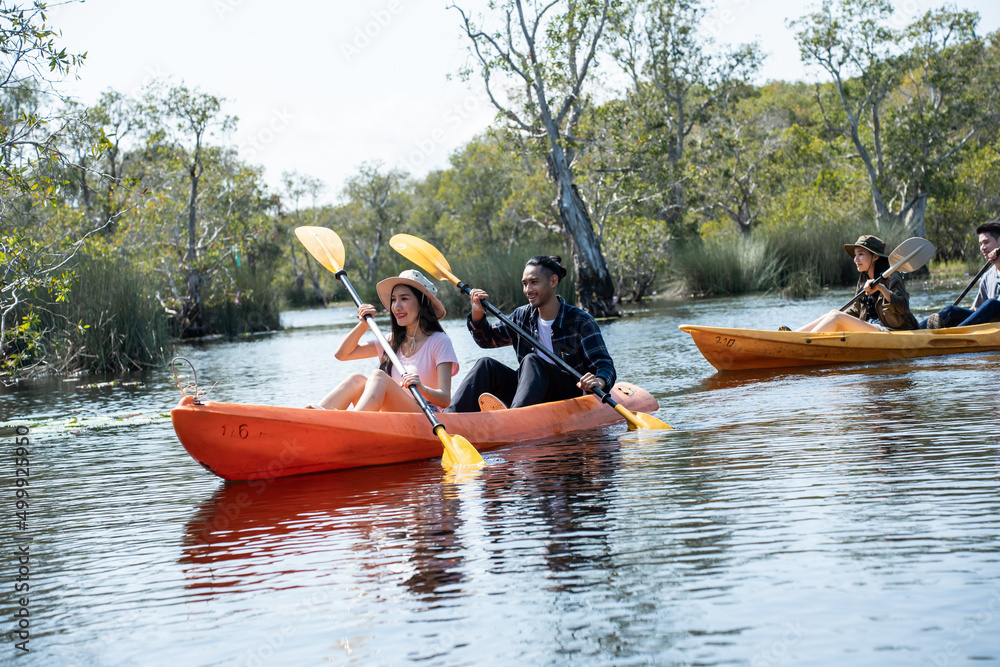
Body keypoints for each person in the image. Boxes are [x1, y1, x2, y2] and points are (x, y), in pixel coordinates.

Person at [445, 255, 615, 413]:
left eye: (534, 282)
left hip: (568, 394)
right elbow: (487, 340)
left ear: (553, 281)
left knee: (532, 361)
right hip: (530, 394)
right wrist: (477, 312)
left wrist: (599, 381)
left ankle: (514, 418)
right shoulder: (521, 316)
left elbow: (604, 364)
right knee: (485, 365)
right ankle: (451, 417)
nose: (528, 289)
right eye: (525, 284)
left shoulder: (581, 320)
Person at [309, 270, 459, 412]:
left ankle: (353, 422)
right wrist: (363, 325)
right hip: (395, 415)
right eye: (394, 300)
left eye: (404, 299)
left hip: (427, 415)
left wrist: (422, 388)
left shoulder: (440, 341)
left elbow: (445, 399)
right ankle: (313, 419)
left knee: (379, 376)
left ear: (424, 302)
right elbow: (342, 354)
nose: (396, 306)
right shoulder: (391, 341)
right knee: (356, 380)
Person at [787, 235, 919, 333]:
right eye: (855, 255)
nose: (856, 259)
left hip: (890, 331)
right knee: (830, 314)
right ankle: (794, 336)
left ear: (875, 257)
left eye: (860, 254)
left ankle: (806, 342)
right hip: (870, 327)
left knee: (836, 316)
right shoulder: (863, 279)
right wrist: (833, 316)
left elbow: (903, 307)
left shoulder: (893, 276)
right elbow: (856, 311)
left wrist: (881, 288)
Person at [921, 220, 1000, 329]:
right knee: (951, 310)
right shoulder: (987, 276)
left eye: (986, 242)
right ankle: (914, 329)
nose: (982, 248)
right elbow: (976, 309)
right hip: (992, 321)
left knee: (992, 304)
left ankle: (956, 334)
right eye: (981, 244)